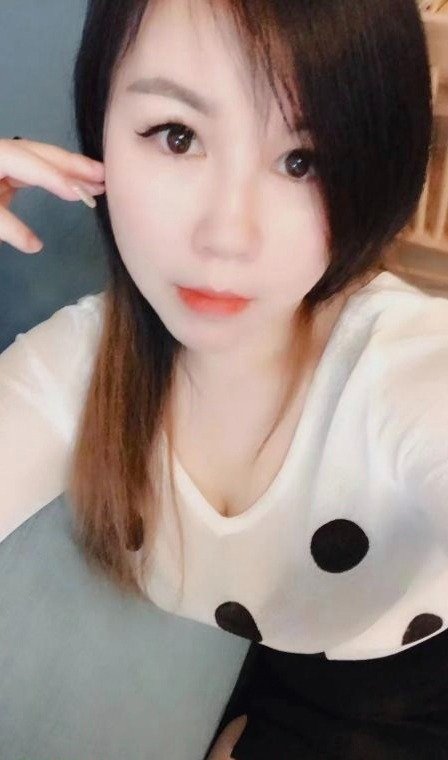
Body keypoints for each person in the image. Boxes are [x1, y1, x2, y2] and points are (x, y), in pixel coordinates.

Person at [1, 0, 447, 757]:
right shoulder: (82, 365)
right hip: (256, 669)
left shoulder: (402, 365)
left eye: (302, 160)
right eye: (177, 136)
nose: (227, 235)